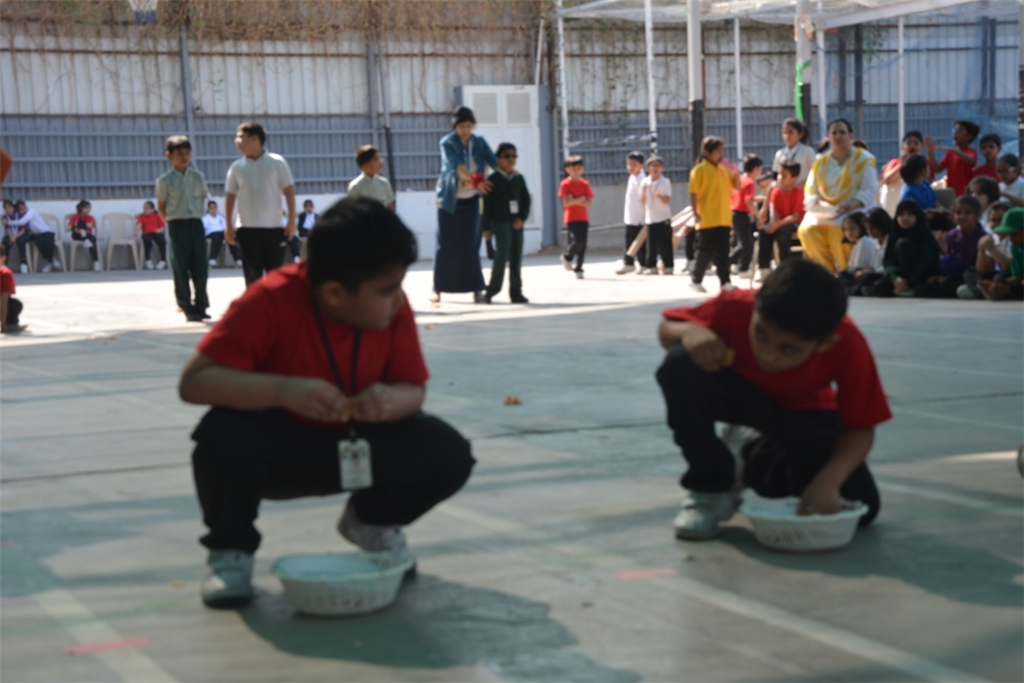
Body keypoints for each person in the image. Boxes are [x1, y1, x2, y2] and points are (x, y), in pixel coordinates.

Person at [178, 197, 475, 608]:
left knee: (446, 452)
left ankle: (370, 522)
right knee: (220, 435)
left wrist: (391, 402)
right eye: (387, 290)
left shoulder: (391, 308)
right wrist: (282, 391)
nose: (398, 299)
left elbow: (414, 391)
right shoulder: (270, 299)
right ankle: (230, 552)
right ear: (334, 293)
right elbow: (194, 382)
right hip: (280, 453)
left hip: (360, 444)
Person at [656, 258, 889, 540]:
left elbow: (861, 428)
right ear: (755, 307)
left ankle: (748, 454)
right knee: (679, 365)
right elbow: (667, 328)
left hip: (802, 412)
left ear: (824, 344)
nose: (767, 354)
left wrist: (829, 480)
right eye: (761, 334)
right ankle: (711, 486)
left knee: (861, 505)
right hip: (741, 397)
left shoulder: (848, 344)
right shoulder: (734, 306)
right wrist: (688, 331)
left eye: (788, 349)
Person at [432, 106, 495, 303]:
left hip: (472, 199)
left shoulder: (479, 141)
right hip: (449, 200)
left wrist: (507, 171)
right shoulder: (447, 142)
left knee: (471, 245)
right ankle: (437, 289)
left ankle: (476, 289)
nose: (465, 130)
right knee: (446, 245)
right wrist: (477, 181)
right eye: (461, 126)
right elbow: (456, 166)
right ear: (455, 127)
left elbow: (492, 160)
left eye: (469, 126)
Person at [799, 118, 878, 274]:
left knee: (839, 228)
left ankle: (845, 272)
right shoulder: (820, 162)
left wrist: (847, 207)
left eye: (842, 132)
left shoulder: (864, 160)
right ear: (828, 137)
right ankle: (825, 272)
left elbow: (867, 190)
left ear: (850, 135)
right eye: (834, 133)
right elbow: (811, 192)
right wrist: (825, 206)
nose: (838, 136)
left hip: (854, 209)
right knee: (806, 230)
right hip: (824, 210)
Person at [225, 121, 296, 287]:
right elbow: (230, 197)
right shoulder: (236, 167)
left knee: (276, 278)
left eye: (241, 137)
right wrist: (228, 226)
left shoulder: (277, 162)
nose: (236, 141)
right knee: (252, 279)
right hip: (247, 229)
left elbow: (289, 192)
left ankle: (276, 305)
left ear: (255, 139)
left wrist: (292, 221)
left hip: (274, 228)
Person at [156, 135, 210, 323]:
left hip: (196, 223)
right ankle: (186, 306)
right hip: (177, 224)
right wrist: (170, 222)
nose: (184, 157)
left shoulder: (197, 177)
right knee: (181, 267)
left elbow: (202, 198)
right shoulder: (165, 180)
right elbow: (161, 206)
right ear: (169, 156)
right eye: (179, 154)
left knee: (200, 265)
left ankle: (201, 305)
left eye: (187, 153)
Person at [481, 142, 531, 304]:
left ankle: (516, 292)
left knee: (516, 258)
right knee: (501, 256)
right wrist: (485, 227)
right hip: (500, 223)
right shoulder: (493, 179)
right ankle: (491, 291)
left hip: (516, 224)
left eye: (513, 156)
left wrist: (521, 218)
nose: (511, 159)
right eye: (506, 156)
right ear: (498, 159)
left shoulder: (518, 178)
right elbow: (486, 206)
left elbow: (526, 200)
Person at [688, 136, 740, 293]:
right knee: (704, 251)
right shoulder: (699, 170)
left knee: (723, 252)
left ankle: (725, 282)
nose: (721, 155)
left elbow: (737, 187)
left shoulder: (723, 170)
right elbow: (693, 193)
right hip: (707, 218)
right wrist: (695, 213)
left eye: (722, 151)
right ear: (707, 152)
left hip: (723, 218)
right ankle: (696, 279)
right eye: (718, 151)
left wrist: (735, 172)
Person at [862, 200, 941, 298]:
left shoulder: (924, 233)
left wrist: (909, 281)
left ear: (917, 216)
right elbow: (888, 261)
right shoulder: (894, 233)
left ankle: (907, 288)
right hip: (899, 277)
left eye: (909, 214)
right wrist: (895, 278)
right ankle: (902, 288)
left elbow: (926, 262)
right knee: (879, 287)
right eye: (901, 215)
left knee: (902, 244)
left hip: (920, 277)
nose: (905, 218)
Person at [919, 195, 984, 298]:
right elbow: (950, 259)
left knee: (961, 277)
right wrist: (943, 248)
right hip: (954, 275)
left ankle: (976, 290)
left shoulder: (982, 236)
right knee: (925, 286)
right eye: (958, 213)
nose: (962, 216)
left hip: (972, 274)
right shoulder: (952, 235)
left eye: (967, 213)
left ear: (977, 214)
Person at [757, 161, 803, 282]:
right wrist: (771, 225)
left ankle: (785, 268)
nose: (779, 177)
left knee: (782, 232)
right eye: (779, 174)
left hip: (794, 224)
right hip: (780, 222)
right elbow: (775, 213)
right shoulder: (776, 192)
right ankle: (764, 269)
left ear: (794, 178)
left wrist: (776, 225)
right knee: (764, 231)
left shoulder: (798, 193)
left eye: (784, 175)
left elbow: (795, 216)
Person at [559, 156, 594, 280]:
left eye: (579, 168)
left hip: (583, 217)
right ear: (568, 170)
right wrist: (580, 200)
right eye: (573, 169)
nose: (576, 171)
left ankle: (579, 268)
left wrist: (573, 200)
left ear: (582, 169)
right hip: (571, 218)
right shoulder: (565, 184)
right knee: (577, 241)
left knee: (583, 244)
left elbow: (588, 202)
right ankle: (567, 256)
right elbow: (566, 202)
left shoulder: (585, 184)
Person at [978, 207, 1024, 300]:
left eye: (1015, 235)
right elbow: (1019, 276)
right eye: (1009, 235)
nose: (1011, 239)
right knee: (1001, 277)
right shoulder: (1017, 247)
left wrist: (1007, 288)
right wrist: (1000, 284)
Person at [879, 131, 928, 217]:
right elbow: (887, 180)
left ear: (922, 147)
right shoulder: (895, 163)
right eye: (908, 143)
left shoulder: (925, 165)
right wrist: (901, 165)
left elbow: (928, 179)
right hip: (893, 207)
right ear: (902, 147)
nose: (912, 145)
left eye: (916, 143)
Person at [924, 120, 979, 197]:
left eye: (959, 130)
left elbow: (971, 161)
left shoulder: (970, 152)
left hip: (966, 194)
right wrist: (930, 152)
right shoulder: (950, 153)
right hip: (952, 193)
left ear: (969, 136)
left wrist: (954, 151)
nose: (954, 133)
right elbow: (937, 169)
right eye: (954, 129)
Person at [728, 154, 762, 277]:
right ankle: (727, 262)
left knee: (746, 243)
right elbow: (748, 202)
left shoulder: (741, 179)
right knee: (745, 245)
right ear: (756, 168)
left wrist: (762, 198)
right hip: (741, 215)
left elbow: (747, 198)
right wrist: (759, 215)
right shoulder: (750, 183)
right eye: (760, 169)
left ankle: (743, 269)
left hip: (734, 213)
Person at [847, 207, 894, 296]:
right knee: (847, 275)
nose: (869, 232)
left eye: (872, 228)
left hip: (887, 274)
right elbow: (873, 265)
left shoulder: (892, 240)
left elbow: (889, 265)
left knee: (871, 280)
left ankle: (851, 292)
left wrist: (870, 272)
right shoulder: (875, 242)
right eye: (867, 229)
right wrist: (865, 270)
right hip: (875, 273)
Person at [640, 155, 674, 275]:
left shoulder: (665, 182)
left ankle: (668, 266)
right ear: (648, 168)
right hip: (651, 217)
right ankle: (651, 266)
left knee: (665, 243)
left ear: (662, 168)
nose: (655, 168)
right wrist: (643, 192)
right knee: (651, 244)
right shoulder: (645, 182)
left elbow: (667, 200)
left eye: (658, 166)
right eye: (652, 166)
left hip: (663, 217)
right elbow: (642, 201)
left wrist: (660, 196)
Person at [7, 200, 60, 273]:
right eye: (21, 209)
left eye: (24, 208)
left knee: (49, 241)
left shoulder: (31, 212)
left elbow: (22, 222)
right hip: (35, 234)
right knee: (38, 241)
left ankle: (50, 261)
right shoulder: (20, 215)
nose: (23, 210)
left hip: (45, 232)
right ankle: (51, 259)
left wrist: (8, 222)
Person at [617, 151, 646, 275]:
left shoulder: (642, 180)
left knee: (641, 243)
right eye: (629, 164)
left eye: (634, 165)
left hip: (640, 218)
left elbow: (645, 199)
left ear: (641, 165)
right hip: (631, 216)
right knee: (629, 241)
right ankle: (629, 263)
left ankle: (643, 264)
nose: (631, 167)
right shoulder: (632, 178)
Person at [348, 146, 395, 212]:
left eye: (380, 158)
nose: (381, 162)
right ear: (365, 166)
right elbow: (352, 211)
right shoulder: (355, 186)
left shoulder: (384, 183)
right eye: (376, 159)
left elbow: (390, 209)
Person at [838, 212, 876, 291]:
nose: (849, 233)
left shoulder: (864, 241)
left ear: (861, 227)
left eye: (852, 228)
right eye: (846, 229)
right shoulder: (857, 243)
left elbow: (859, 267)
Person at [202, 200, 239, 268]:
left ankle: (237, 259)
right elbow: (203, 228)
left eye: (214, 208)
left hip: (221, 233)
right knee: (216, 237)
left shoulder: (221, 218)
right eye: (211, 208)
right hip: (211, 233)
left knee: (231, 238)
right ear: (208, 209)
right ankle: (212, 259)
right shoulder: (205, 218)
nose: (213, 210)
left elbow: (225, 228)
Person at [67, 200, 101, 271]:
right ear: (80, 208)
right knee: (80, 223)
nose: (88, 210)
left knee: (93, 238)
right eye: (86, 208)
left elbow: (90, 225)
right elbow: (68, 227)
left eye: (89, 208)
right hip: (76, 235)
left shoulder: (90, 217)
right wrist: (77, 229)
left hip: (88, 235)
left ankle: (96, 261)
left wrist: (77, 226)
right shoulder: (75, 217)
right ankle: (96, 260)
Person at [0, 243, 27, 334]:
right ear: (3, 258)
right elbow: (3, 302)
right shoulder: (5, 274)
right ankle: (10, 324)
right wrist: (3, 327)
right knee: (15, 304)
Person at [136, 200, 168, 270]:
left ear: (152, 209)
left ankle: (163, 260)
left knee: (162, 240)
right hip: (147, 233)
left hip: (156, 233)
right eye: (144, 208)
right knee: (147, 240)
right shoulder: (142, 216)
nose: (145, 210)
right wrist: (136, 232)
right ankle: (148, 260)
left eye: (147, 208)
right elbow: (139, 225)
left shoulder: (157, 216)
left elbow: (162, 227)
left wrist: (159, 230)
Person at [286, 199, 318, 264]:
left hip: (314, 232)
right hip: (305, 233)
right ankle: (302, 259)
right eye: (307, 207)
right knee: (304, 240)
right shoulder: (302, 216)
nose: (308, 208)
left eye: (310, 206)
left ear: (312, 207)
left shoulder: (317, 216)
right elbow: (299, 227)